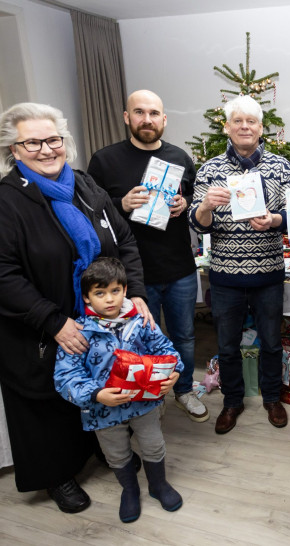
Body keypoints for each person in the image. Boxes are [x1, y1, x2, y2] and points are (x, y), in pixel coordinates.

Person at [0, 102, 150, 513]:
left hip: (95, 321)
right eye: (33, 142)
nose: (47, 149)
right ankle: (56, 474)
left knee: (96, 385)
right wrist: (54, 322)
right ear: (15, 150)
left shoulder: (86, 187)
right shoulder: (7, 202)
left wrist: (134, 291)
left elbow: (125, 242)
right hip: (38, 329)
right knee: (47, 401)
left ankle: (102, 449)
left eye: (53, 139)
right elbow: (4, 276)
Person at [87, 89, 207, 423]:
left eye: (154, 113)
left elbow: (193, 207)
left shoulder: (180, 158)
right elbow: (88, 213)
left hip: (180, 268)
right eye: (139, 112)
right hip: (131, 277)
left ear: (164, 119)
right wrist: (120, 205)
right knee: (136, 341)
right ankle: (147, 398)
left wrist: (184, 207)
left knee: (183, 336)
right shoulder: (104, 160)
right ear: (127, 117)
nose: (147, 120)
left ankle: (183, 390)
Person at [189, 95, 290, 433]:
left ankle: (272, 398)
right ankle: (232, 401)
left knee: (271, 342)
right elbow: (197, 222)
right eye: (238, 121)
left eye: (252, 121)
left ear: (261, 128)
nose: (245, 126)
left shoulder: (281, 166)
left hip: (268, 274)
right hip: (225, 276)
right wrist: (205, 205)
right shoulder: (210, 170)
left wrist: (276, 220)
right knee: (227, 345)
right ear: (227, 127)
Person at [54, 258, 184, 523]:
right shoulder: (80, 332)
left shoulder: (142, 322)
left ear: (125, 290)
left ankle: (158, 485)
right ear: (87, 298)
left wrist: (175, 372)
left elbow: (166, 350)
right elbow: (66, 376)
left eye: (115, 291)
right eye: (99, 293)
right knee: (116, 453)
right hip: (102, 410)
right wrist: (95, 394)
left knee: (153, 444)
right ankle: (130, 490)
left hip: (145, 403)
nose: (109, 299)